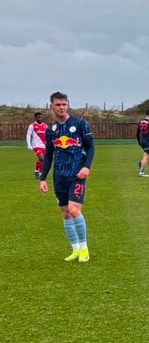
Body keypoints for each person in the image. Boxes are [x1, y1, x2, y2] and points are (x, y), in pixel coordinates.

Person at [37, 92, 96, 263]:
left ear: (68, 105)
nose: (61, 107)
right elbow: (48, 155)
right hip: (59, 176)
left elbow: (91, 148)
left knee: (74, 209)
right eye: (58, 105)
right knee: (65, 213)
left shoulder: (80, 124)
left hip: (77, 174)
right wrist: (43, 178)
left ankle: (84, 249)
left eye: (64, 104)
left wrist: (86, 166)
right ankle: (75, 249)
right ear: (51, 107)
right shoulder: (51, 130)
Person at [26, 112, 48, 178]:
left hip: (44, 145)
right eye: (38, 117)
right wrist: (29, 144)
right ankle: (41, 173)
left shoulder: (45, 126)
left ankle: (36, 171)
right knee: (42, 158)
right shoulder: (32, 126)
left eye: (41, 117)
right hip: (36, 145)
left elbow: (48, 135)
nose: (40, 118)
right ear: (35, 118)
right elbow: (28, 135)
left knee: (41, 159)